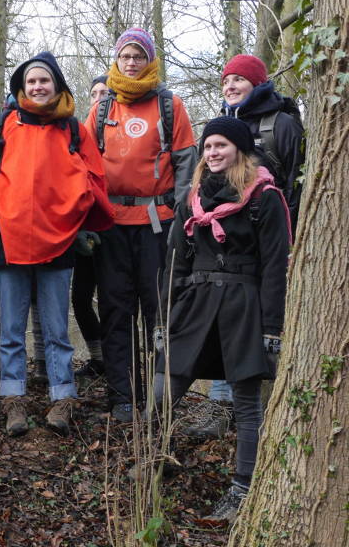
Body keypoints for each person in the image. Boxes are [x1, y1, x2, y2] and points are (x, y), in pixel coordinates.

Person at [0, 51, 114, 437]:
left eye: (45, 80)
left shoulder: (74, 130)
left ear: (57, 85)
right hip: (8, 238)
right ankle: (14, 399)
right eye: (31, 81)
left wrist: (84, 223)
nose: (38, 87)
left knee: (56, 328)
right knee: (11, 329)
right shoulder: (2, 125)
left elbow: (94, 181)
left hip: (60, 240)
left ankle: (62, 397)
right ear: (21, 88)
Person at [153, 116, 290, 523]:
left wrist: (271, 328)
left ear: (240, 150)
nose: (212, 153)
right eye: (208, 146)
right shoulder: (191, 199)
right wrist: (163, 319)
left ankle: (242, 489)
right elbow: (174, 263)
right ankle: (151, 464)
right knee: (164, 388)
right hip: (195, 305)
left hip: (244, 307)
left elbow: (273, 269)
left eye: (221, 146)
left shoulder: (265, 197)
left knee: (246, 402)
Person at [84, 28, 196, 422]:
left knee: (159, 311)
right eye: (125, 56)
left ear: (149, 60)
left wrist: (183, 216)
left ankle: (160, 399)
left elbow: (186, 164)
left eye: (138, 56)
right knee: (115, 311)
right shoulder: (101, 110)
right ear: (116, 60)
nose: (131, 62)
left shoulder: (170, 105)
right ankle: (121, 399)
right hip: (111, 224)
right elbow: (84, 166)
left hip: (158, 223)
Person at [197, 54, 304, 428]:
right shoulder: (223, 128)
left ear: (257, 83)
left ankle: (254, 411)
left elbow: (295, 183)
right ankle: (220, 406)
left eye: (238, 79)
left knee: (261, 324)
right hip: (226, 249)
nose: (230, 86)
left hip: (270, 241)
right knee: (224, 324)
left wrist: (290, 240)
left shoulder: (282, 125)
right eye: (226, 81)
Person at [74, 75, 108, 381]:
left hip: (116, 226)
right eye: (93, 92)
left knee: (112, 297)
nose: (98, 97)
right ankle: (99, 358)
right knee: (80, 297)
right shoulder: (78, 134)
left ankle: (117, 358)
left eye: (103, 92)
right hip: (85, 230)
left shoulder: (118, 134)